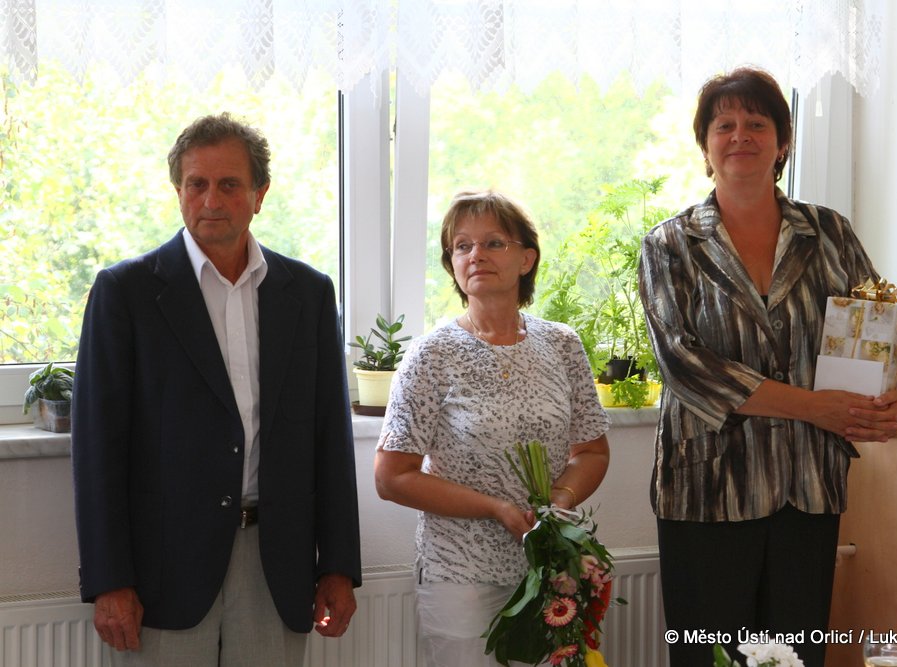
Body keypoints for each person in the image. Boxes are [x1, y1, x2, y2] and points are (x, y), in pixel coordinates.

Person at [637, 67, 897, 666]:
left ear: (782, 142)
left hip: (807, 486)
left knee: (795, 656)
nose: (740, 135)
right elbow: (683, 363)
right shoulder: (670, 244)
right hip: (709, 491)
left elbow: (882, 326)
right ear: (705, 144)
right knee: (709, 657)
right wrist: (812, 407)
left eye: (757, 123)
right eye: (724, 125)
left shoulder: (829, 232)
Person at [71, 112, 361, 667]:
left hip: (278, 564)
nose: (211, 200)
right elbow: (97, 450)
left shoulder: (308, 294)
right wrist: (109, 581)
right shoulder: (125, 293)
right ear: (178, 191)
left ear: (259, 194)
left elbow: (330, 438)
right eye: (196, 184)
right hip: (163, 569)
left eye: (229, 184)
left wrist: (338, 566)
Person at [373, 191, 611, 667]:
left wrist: (558, 500)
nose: (476, 254)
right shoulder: (430, 355)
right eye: (462, 246)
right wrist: (496, 508)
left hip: (550, 568)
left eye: (493, 243)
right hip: (461, 573)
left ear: (527, 259)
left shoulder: (562, 344)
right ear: (453, 265)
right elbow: (392, 477)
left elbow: (592, 451)